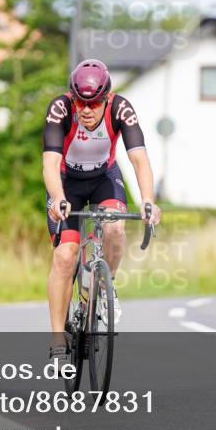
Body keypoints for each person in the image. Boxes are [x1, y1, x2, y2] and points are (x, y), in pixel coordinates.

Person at [42, 59, 161, 366]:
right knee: (65, 255)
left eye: (94, 103)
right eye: (81, 101)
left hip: (104, 179)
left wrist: (148, 201)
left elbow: (139, 159)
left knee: (116, 229)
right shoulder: (60, 109)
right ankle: (58, 338)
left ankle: (102, 291)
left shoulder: (121, 109)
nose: (86, 110)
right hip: (67, 183)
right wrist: (57, 199)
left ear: (107, 98)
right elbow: (51, 164)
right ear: (72, 97)